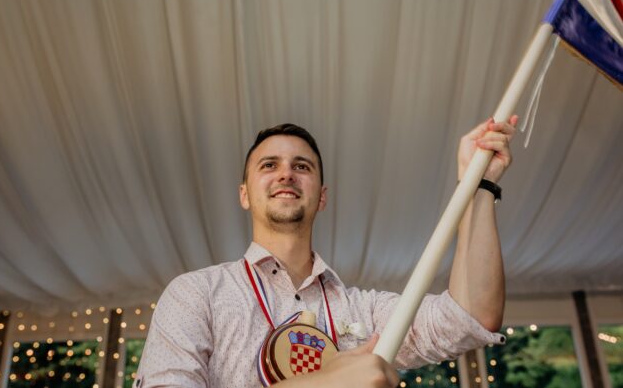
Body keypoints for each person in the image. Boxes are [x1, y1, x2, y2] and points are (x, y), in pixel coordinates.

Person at [134, 117, 518, 388]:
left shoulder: (363, 310)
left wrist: (479, 185)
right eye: (269, 165)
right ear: (244, 194)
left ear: (321, 197)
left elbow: (471, 315)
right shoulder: (195, 294)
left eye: (301, 166)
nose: (286, 173)